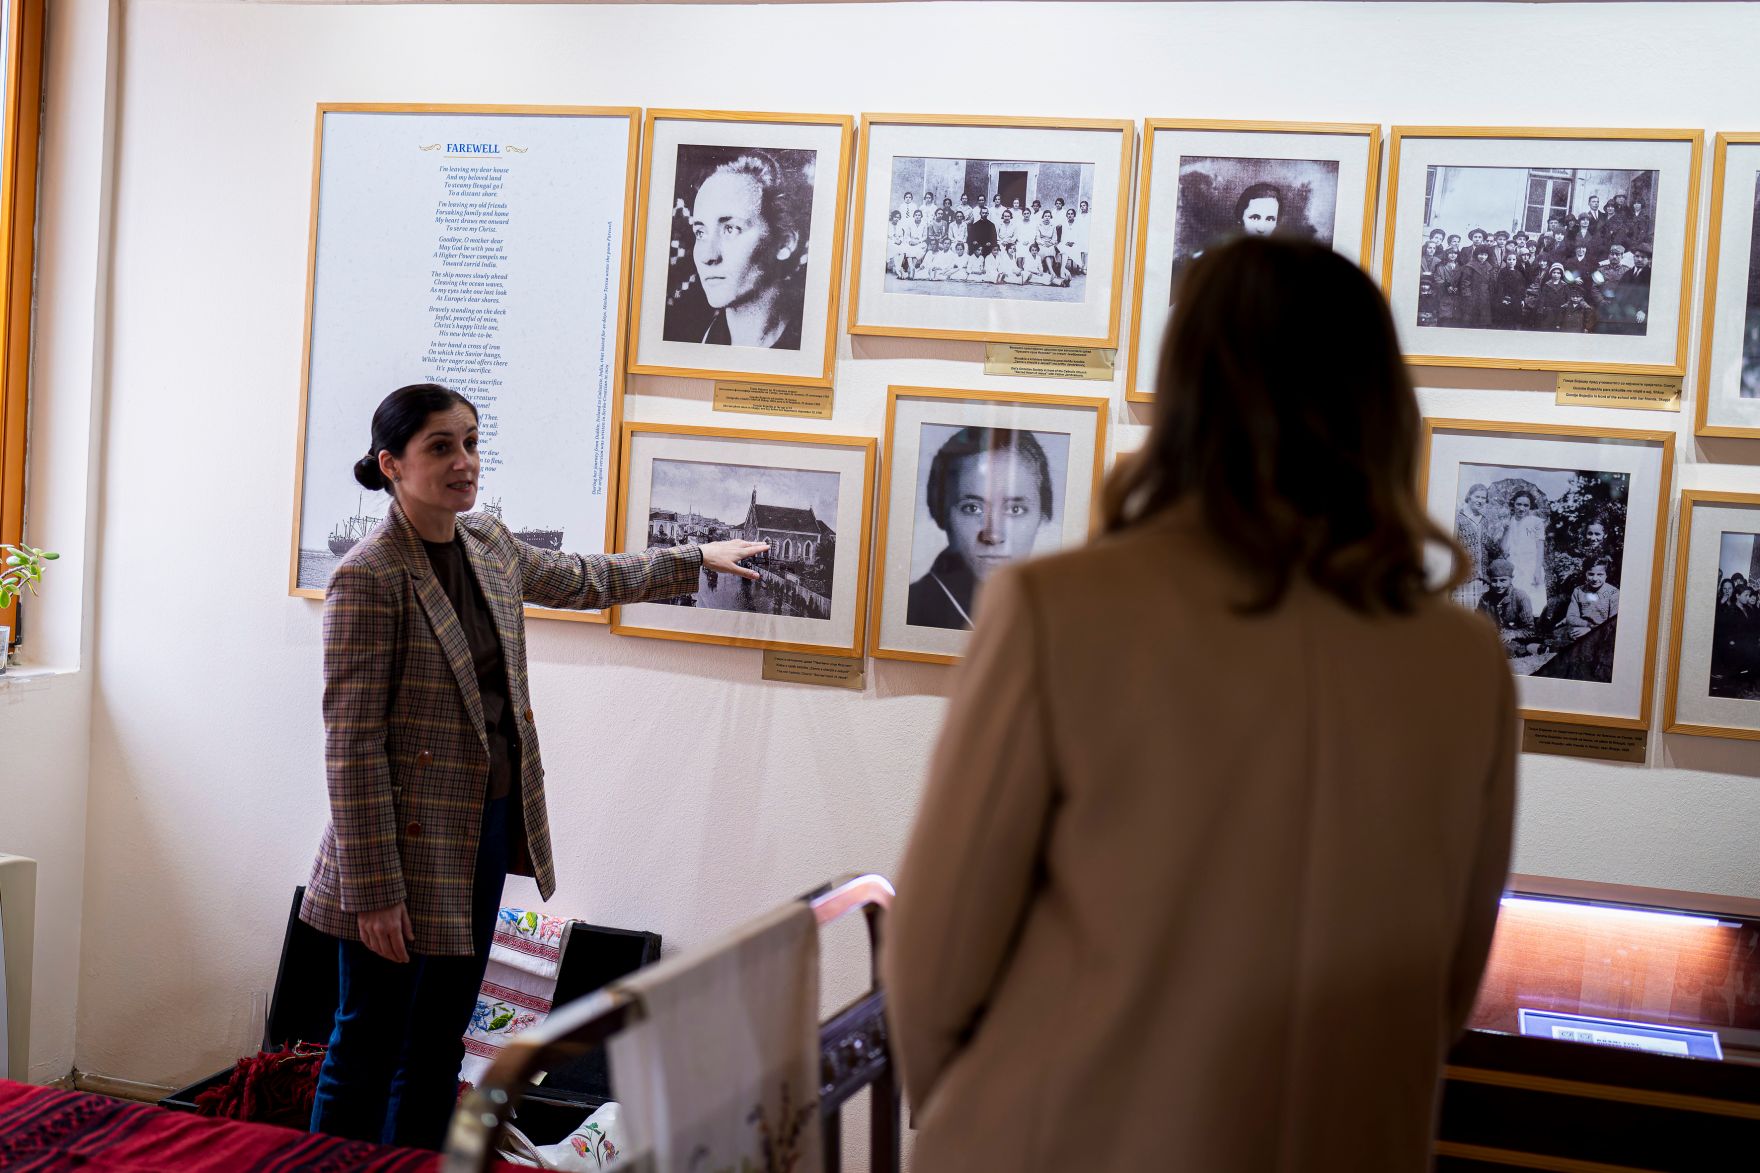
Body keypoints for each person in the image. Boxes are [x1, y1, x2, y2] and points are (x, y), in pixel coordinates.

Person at [885, 238, 1517, 1172]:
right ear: (1383, 405)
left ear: (1185, 394)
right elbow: (1448, 988)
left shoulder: (1059, 610)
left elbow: (934, 963)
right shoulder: (1466, 663)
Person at [304, 384, 766, 1149]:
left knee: (437, 1046)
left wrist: (694, 558)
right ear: (391, 464)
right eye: (441, 447)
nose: (465, 462)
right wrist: (375, 893)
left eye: (472, 441)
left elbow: (587, 578)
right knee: (364, 1045)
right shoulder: (369, 575)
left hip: (481, 831)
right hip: (392, 852)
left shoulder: (488, 543)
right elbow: (350, 749)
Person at [906, 426, 1054, 630]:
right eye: (972, 508)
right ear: (940, 513)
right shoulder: (913, 610)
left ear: (1043, 516)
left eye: (1015, 509)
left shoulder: (1056, 613)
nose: (993, 535)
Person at [677, 152, 809, 349]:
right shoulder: (686, 347)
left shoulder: (811, 344)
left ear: (784, 243)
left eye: (730, 229)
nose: (707, 256)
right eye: (700, 232)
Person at [1498, 490, 1548, 617]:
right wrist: (1506, 530)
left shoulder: (1536, 522)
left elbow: (1540, 547)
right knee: (1516, 601)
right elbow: (1503, 549)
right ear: (1513, 504)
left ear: (1530, 507)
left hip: (1531, 566)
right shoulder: (1509, 522)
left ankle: (1534, 631)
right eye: (1518, 504)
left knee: (1534, 603)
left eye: (1526, 505)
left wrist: (1537, 570)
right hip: (1514, 567)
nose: (1522, 508)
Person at [1478, 557, 1540, 655]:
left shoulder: (1521, 597)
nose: (1498, 585)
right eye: (1494, 581)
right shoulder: (1485, 598)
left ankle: (1529, 648)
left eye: (1503, 580)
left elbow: (1530, 630)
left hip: (1515, 640)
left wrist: (1511, 634)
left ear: (1511, 579)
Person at [1561, 556, 1619, 641]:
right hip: (1582, 629)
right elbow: (1571, 617)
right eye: (1591, 574)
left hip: (1604, 634)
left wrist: (1591, 630)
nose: (1595, 578)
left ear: (1606, 575)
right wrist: (1587, 626)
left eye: (1600, 575)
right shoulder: (1578, 591)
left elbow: (1613, 623)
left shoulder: (1613, 593)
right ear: (1585, 574)